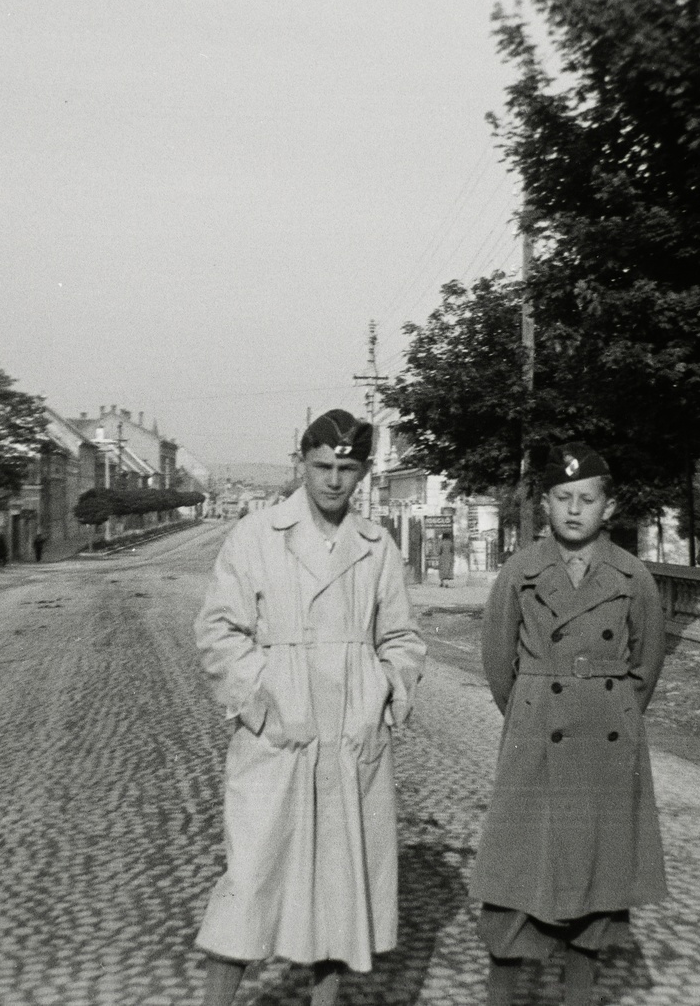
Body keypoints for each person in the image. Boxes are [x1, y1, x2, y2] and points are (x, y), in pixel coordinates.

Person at [194, 409, 427, 1006]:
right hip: (279, 735)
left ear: (364, 473)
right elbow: (219, 632)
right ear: (301, 463)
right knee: (250, 880)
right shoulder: (256, 535)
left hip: (350, 737)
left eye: (347, 469)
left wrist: (380, 698)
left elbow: (401, 640)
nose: (332, 481)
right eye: (322, 466)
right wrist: (264, 706)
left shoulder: (377, 548)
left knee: (339, 886)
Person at [471, 442, 670, 1006]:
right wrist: (534, 712)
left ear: (608, 508)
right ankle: (504, 993)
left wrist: (609, 711)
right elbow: (496, 661)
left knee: (598, 885)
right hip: (536, 738)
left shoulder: (634, 577)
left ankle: (579, 992)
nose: (574, 510)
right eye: (563, 498)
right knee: (516, 873)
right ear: (546, 504)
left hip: (606, 744)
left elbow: (645, 668)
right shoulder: (520, 572)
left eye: (587, 499)